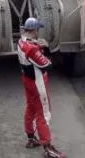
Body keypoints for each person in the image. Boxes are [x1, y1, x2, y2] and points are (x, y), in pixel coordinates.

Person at [18, 17, 66, 158]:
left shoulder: (21, 42)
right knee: (43, 114)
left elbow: (31, 52)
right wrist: (45, 47)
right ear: (34, 30)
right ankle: (48, 148)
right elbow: (48, 65)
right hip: (37, 83)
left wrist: (38, 46)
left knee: (31, 107)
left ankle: (31, 138)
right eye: (38, 29)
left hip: (27, 80)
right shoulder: (31, 48)